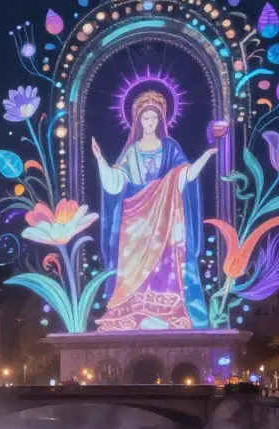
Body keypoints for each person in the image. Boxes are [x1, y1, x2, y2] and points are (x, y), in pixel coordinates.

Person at [93, 90, 217, 331]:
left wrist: (204, 158)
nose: (149, 123)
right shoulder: (132, 150)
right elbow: (116, 182)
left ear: (161, 120)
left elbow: (184, 175)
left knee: (166, 268)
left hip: (164, 217)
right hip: (135, 219)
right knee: (132, 271)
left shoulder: (170, 147)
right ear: (138, 121)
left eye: (154, 118)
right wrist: (100, 161)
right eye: (145, 118)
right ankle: (131, 312)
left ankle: (166, 313)